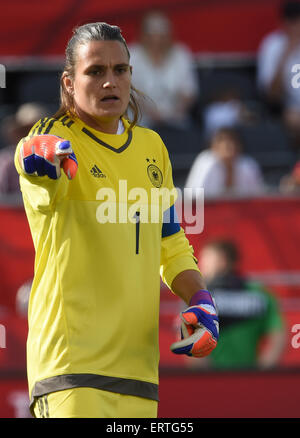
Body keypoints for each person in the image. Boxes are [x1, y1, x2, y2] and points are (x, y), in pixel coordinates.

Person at [14, 22, 219, 418]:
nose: (110, 81)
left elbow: (170, 243)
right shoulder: (56, 139)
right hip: (71, 368)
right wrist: (37, 154)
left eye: (119, 70)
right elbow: (32, 157)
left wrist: (201, 299)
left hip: (140, 373)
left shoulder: (151, 147)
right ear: (70, 83)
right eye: (95, 71)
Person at [186, 239, 285, 370]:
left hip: (212, 382)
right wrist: (261, 375)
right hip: (249, 382)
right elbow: (279, 337)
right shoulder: (260, 293)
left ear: (222, 261)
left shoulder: (198, 296)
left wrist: (208, 379)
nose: (201, 264)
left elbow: (189, 342)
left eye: (206, 259)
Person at [129, 10, 199, 129]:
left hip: (176, 120)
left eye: (162, 36)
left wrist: (174, 113)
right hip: (139, 121)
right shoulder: (131, 54)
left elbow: (189, 92)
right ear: (143, 36)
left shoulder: (181, 54)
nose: (157, 41)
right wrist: (152, 114)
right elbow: (129, 92)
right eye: (152, 36)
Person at [257, 0, 300, 151]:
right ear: (285, 23)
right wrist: (286, 54)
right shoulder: (272, 45)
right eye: (295, 22)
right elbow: (272, 94)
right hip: (289, 108)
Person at [185, 127, 265, 198]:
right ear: (214, 147)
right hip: (209, 212)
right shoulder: (206, 163)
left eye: (234, 145)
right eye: (227, 146)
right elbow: (193, 197)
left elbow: (259, 197)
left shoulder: (248, 165)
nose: (231, 149)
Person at [0, 103, 49, 194]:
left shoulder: (55, 158)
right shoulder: (6, 160)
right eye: (28, 130)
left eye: (39, 130)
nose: (33, 135)